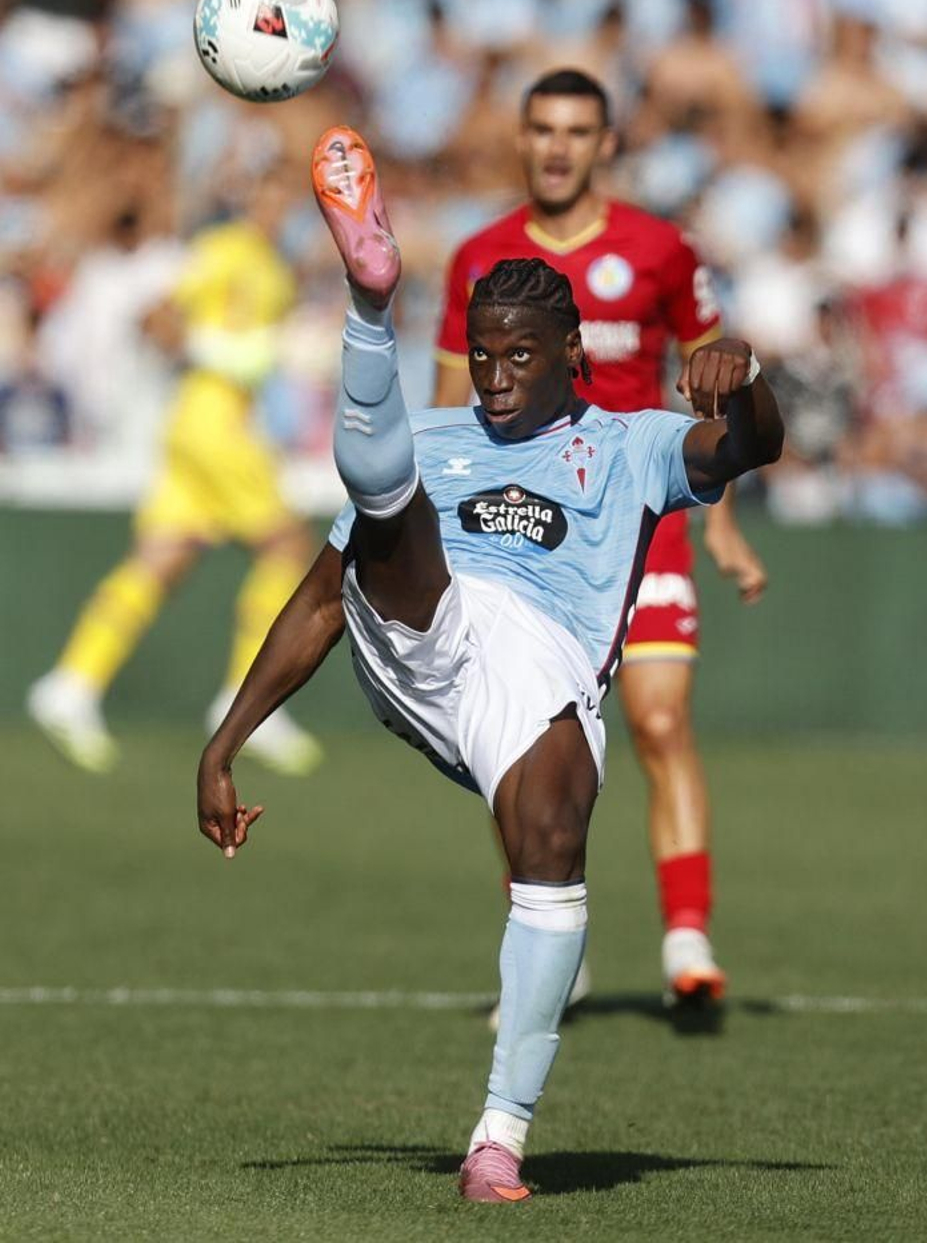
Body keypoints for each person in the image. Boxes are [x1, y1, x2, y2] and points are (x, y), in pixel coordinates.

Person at [196, 127, 783, 1203]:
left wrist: (741, 379)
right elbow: (320, 600)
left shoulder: (632, 443)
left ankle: (497, 1143)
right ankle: (370, 301)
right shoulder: (439, 435)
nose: (497, 378)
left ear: (572, 354)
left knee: (552, 844)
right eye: (482, 356)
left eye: (521, 358)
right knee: (393, 501)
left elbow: (749, 447)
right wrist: (224, 745)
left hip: (541, 664)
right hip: (420, 632)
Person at [434, 68, 768, 1006]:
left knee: (660, 719)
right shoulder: (480, 255)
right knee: (518, 748)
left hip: (638, 522)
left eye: (577, 131)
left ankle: (687, 938)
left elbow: (716, 393)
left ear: (607, 144)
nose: (557, 147)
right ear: (521, 137)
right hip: (522, 534)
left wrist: (723, 527)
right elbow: (446, 405)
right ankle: (555, 944)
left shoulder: (660, 250)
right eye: (542, 128)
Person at [28, 200, 321, 776]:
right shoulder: (224, 249)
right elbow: (156, 317)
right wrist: (217, 352)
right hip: (213, 419)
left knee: (164, 557)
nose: (284, 201)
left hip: (213, 420)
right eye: (275, 185)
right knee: (289, 547)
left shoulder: (279, 270)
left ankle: (71, 684)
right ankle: (246, 701)